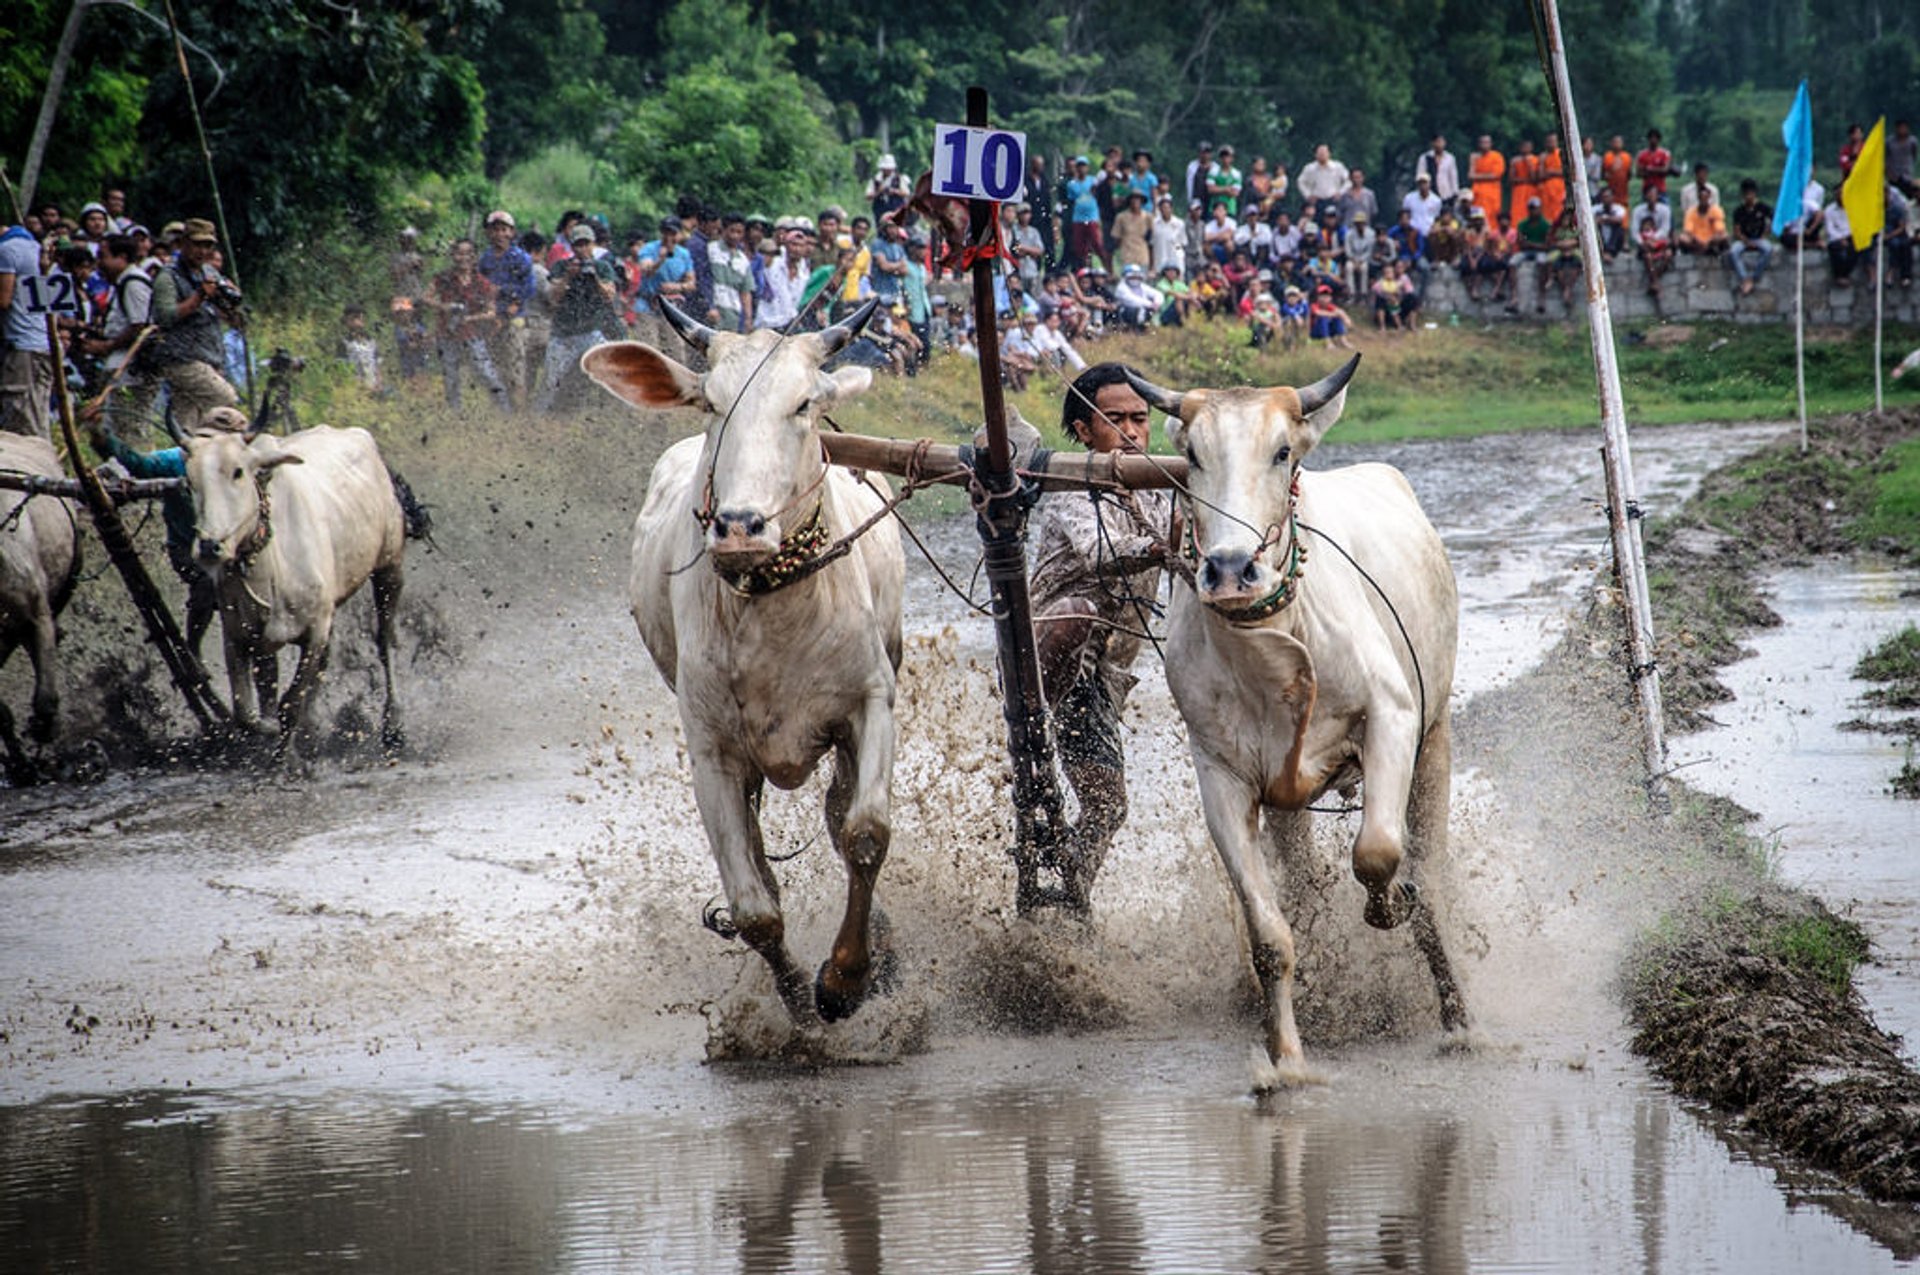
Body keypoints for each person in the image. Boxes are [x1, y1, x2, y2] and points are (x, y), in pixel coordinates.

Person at [1028, 362, 1175, 912]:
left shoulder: (1161, 488)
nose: (1133, 432)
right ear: (1084, 430)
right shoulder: (1072, 483)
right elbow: (1102, 553)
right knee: (1081, 610)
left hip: (1106, 677)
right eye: (1116, 420)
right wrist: (1164, 548)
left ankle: (1071, 894)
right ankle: (1037, 715)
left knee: (1107, 807)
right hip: (1051, 652)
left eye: (1141, 419)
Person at [148, 218, 242, 433]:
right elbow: (164, 316)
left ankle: (190, 461)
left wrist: (229, 301)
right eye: (197, 244)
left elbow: (223, 308)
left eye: (208, 245)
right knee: (225, 401)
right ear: (183, 243)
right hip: (181, 358)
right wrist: (199, 296)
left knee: (189, 426)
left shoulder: (209, 272)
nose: (202, 250)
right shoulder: (168, 276)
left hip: (207, 355)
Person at [78, 233, 157, 441]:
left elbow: (140, 326)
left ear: (121, 257)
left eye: (103, 256)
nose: (99, 263)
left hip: (130, 369)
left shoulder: (133, 283)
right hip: (120, 366)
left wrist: (106, 346)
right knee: (113, 426)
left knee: (129, 428)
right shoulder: (120, 284)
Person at [537, 222, 621, 412]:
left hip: (591, 331)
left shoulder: (602, 267)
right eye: (578, 245)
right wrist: (568, 276)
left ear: (593, 245)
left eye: (586, 244)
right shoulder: (561, 266)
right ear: (572, 247)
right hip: (563, 334)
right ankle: (538, 418)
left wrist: (595, 279)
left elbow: (610, 295)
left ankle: (611, 414)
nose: (583, 249)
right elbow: (552, 297)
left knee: (610, 374)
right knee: (551, 381)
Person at [425, 237, 507, 412]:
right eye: (459, 253)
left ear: (474, 256)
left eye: (468, 254)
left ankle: (504, 411)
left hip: (472, 333)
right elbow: (426, 297)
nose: (463, 258)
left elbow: (492, 312)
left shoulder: (481, 282)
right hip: (447, 333)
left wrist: (471, 318)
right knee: (451, 378)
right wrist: (444, 307)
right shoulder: (443, 278)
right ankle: (456, 416)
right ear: (453, 256)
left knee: (487, 372)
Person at [0, 221, 54, 442]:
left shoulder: (6, 251)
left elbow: (3, 300)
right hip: (43, 341)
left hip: (22, 345)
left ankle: (31, 471)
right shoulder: (35, 248)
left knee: (21, 418)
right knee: (38, 414)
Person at [477, 209, 535, 407]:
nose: (499, 234)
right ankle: (501, 412)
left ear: (511, 232)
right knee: (494, 369)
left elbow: (529, 287)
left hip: (514, 318)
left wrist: (509, 298)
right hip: (491, 319)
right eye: (495, 230)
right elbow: (480, 287)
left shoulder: (520, 258)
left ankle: (519, 413)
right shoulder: (485, 259)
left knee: (515, 369)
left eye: (503, 229)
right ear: (488, 233)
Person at [707, 213, 756, 332]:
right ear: (723, 230)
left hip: (732, 316)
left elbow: (745, 292)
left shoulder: (743, 260)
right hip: (712, 312)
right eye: (732, 231)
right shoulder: (711, 250)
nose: (735, 236)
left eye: (739, 232)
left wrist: (748, 319)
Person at [1727, 180, 1774, 296]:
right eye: (1746, 194)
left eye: (1750, 194)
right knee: (1734, 251)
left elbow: (1772, 222)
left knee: (1768, 249)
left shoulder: (1763, 208)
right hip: (1744, 239)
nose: (1748, 197)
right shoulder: (1739, 211)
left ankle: (1754, 277)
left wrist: (1764, 235)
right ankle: (1744, 278)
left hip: (1759, 238)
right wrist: (1746, 242)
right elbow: (1736, 231)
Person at [1632, 186, 1674, 299]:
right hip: (1645, 244)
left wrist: (1654, 239)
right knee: (1647, 256)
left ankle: (1654, 281)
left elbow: (1665, 229)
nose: (1652, 197)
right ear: (1645, 196)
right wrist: (1644, 242)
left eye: (1654, 194)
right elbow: (1635, 232)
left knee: (1668, 255)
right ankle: (1655, 282)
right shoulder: (1638, 211)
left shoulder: (1665, 210)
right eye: (1649, 194)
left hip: (1660, 243)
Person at [1296, 143, 1348, 221]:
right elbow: (1300, 182)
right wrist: (1308, 195)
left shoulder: (1337, 167)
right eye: (1320, 153)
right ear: (1315, 155)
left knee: (1334, 223)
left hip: (1333, 200)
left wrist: (1340, 193)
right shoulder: (1310, 168)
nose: (1322, 155)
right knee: (1318, 224)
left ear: (1329, 154)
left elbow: (1348, 181)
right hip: (1317, 202)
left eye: (1324, 153)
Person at [337, 303, 382, 392]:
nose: (359, 320)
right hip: (356, 389)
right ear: (347, 321)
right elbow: (342, 370)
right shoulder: (344, 343)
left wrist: (379, 383)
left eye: (360, 317)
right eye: (355, 317)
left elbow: (377, 365)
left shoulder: (371, 341)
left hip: (373, 386)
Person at [1677, 188, 1729, 262]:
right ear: (1698, 198)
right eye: (1702, 197)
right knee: (1683, 238)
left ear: (1709, 198)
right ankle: (1700, 251)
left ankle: (1710, 250)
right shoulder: (1690, 212)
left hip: (1711, 241)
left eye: (1706, 197)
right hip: (1696, 242)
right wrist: (1698, 241)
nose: (1704, 200)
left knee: (1724, 236)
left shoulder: (1716, 210)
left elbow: (1719, 230)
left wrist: (1709, 241)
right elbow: (1688, 231)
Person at [1111, 190, 1152, 273]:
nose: (1135, 201)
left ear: (1142, 201)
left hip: (1142, 255)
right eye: (1133, 199)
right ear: (1129, 201)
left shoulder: (1148, 217)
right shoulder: (1121, 217)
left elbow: (1151, 238)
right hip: (1127, 255)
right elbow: (1116, 237)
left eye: (1138, 199)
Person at [1469, 135, 1507, 226]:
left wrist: (1477, 176)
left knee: (1492, 217)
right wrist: (1487, 175)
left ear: (1491, 144)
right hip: (1477, 193)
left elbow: (1496, 175)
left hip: (1492, 194)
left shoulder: (1497, 156)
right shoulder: (1475, 157)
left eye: (1487, 142)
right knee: (1476, 216)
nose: (1484, 145)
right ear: (1478, 144)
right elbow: (1470, 175)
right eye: (1482, 142)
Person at [1416, 135, 1460, 210]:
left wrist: (1455, 193)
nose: (1439, 145)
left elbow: (1453, 177)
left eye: (1441, 142)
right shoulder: (1425, 158)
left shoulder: (1450, 158)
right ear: (1433, 143)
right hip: (1430, 193)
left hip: (1446, 194)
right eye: (1437, 142)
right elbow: (1420, 175)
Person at [1149, 195, 1187, 278]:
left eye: (1167, 207)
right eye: (1163, 208)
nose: (1165, 210)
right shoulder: (1154, 224)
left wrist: (1181, 262)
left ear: (1171, 209)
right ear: (1159, 209)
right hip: (1159, 261)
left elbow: (1181, 245)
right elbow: (1152, 245)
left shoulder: (1179, 224)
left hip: (1175, 262)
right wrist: (1152, 266)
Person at [866, 153, 911, 225]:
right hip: (880, 210)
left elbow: (906, 193)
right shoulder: (875, 180)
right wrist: (879, 192)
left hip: (896, 210)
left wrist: (894, 191)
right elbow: (868, 196)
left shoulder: (899, 179)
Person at [1307, 283, 1355, 350]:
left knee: (1337, 318)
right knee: (1323, 318)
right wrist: (1334, 314)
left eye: (1327, 296)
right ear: (1318, 297)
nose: (1325, 298)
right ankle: (1328, 343)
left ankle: (1343, 341)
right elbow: (1318, 312)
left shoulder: (1330, 306)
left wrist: (1346, 318)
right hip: (1315, 332)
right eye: (1322, 296)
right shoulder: (1314, 305)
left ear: (1330, 298)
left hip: (1329, 331)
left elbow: (1340, 311)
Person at [1507, 138, 1541, 228]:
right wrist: (1525, 180)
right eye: (1523, 147)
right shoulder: (1515, 161)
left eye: (1528, 147)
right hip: (1519, 191)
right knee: (1517, 212)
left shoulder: (1535, 160)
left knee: (1532, 209)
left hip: (1532, 190)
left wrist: (1529, 165)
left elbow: (1535, 179)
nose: (1525, 149)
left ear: (1532, 148)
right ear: (1520, 148)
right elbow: (1511, 179)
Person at [1205, 145, 1245, 217]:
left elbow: (1235, 193)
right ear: (1220, 158)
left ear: (1232, 158)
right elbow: (1210, 190)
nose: (1225, 158)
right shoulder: (1213, 171)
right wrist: (1226, 189)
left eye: (1227, 156)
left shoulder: (1236, 173)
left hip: (1230, 209)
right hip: (1214, 209)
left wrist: (1218, 188)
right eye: (1223, 156)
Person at [1635, 129, 1673, 203]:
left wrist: (1650, 169)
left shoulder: (1664, 153)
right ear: (1648, 140)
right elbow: (1638, 173)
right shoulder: (1642, 154)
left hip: (1660, 189)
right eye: (1651, 138)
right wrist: (1656, 170)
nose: (1653, 140)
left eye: (1655, 138)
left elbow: (1665, 169)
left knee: (1666, 211)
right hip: (1646, 189)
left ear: (1659, 140)